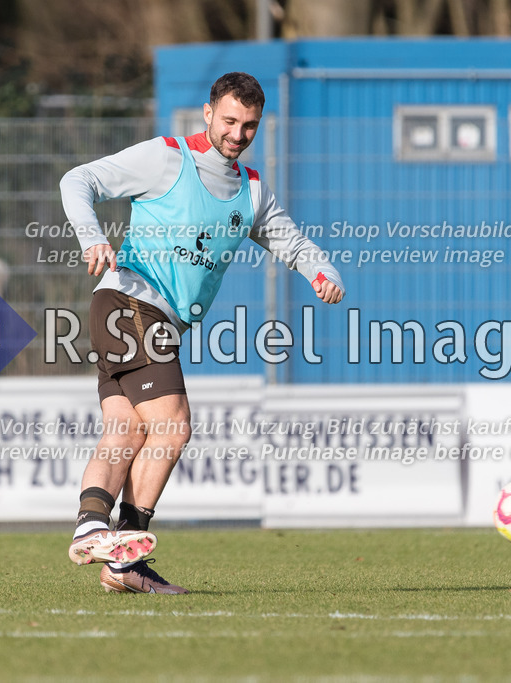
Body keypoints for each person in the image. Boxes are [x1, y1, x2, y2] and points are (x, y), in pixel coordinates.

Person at [59, 72, 345, 594]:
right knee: (173, 425)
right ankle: (117, 547)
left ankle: (98, 535)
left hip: (148, 318)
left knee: (125, 428)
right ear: (208, 112)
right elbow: (78, 180)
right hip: (129, 301)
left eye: (250, 126)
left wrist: (323, 273)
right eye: (230, 120)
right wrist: (92, 237)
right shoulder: (167, 158)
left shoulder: (251, 192)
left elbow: (296, 245)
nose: (238, 133)